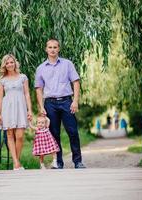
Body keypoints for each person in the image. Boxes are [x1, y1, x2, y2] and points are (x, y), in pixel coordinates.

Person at [35, 38, 85, 169]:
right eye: (50, 47)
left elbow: (76, 82)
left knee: (73, 131)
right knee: (53, 134)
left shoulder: (67, 64)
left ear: (59, 49)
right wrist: (41, 107)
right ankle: (58, 162)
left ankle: (78, 161)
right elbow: (39, 89)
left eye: (55, 47)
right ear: (46, 49)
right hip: (50, 104)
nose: (52, 50)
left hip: (67, 102)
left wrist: (75, 101)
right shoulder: (40, 68)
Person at [0, 54, 33, 170]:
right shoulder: (2, 81)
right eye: (7, 63)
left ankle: (16, 161)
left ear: (15, 63)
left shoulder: (23, 77)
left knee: (20, 136)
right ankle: (16, 163)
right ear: (4, 65)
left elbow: (27, 94)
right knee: (9, 135)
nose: (9, 65)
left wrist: (30, 110)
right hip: (7, 108)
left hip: (20, 108)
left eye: (11, 62)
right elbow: (0, 97)